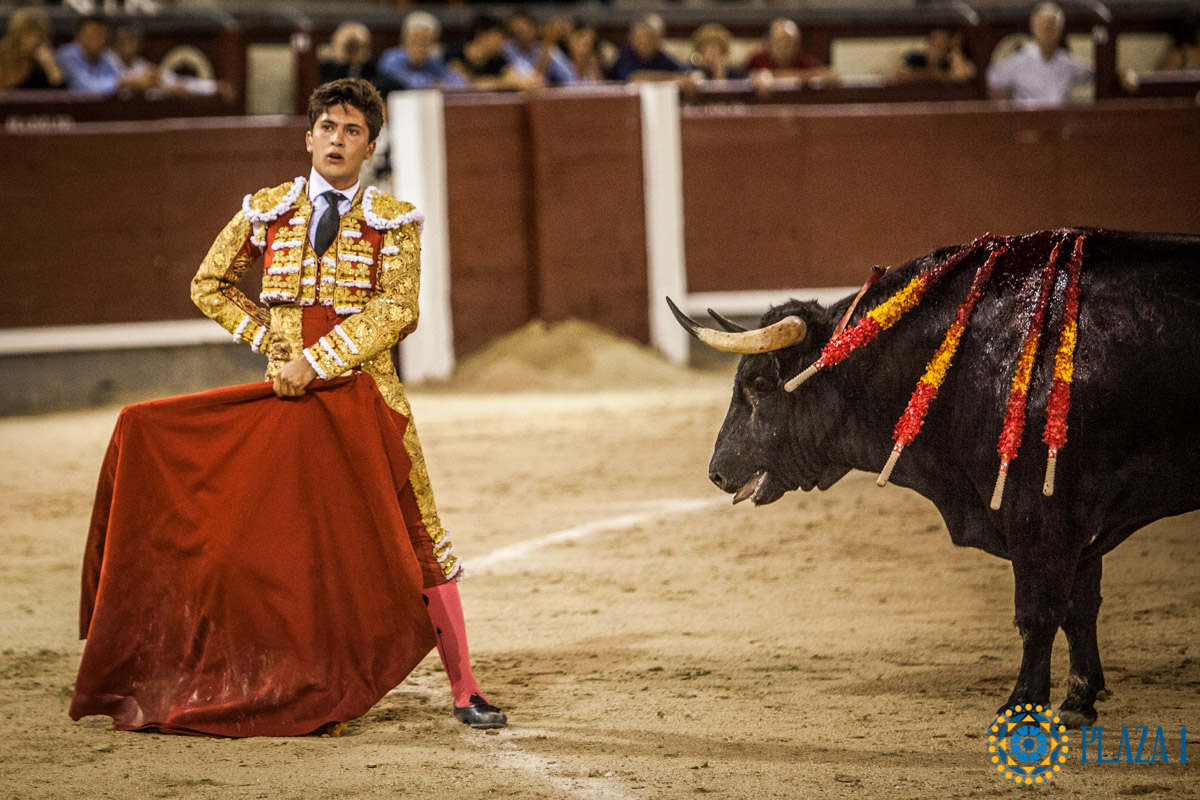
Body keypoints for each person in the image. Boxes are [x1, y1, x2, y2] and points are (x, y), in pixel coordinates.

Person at [69, 78, 506, 737]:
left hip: (367, 403)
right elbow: (209, 285)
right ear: (308, 137)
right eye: (327, 127)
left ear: (371, 147)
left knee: (419, 535)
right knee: (283, 543)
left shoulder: (397, 220)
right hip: (289, 405)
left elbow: (399, 308)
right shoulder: (266, 212)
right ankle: (291, 674)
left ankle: (465, 689)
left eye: (352, 130)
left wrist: (317, 360)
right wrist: (274, 347)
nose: (337, 138)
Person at [986, 3, 1093, 106]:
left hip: (1060, 119)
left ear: (1060, 30)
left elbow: (1092, 73)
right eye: (1042, 27)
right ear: (1034, 28)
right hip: (1027, 120)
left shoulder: (1067, 63)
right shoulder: (1019, 61)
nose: (1046, 33)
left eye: (1051, 28)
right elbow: (993, 78)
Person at [446, 14, 538, 91]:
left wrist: (492, 83)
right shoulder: (453, 55)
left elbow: (522, 83)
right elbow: (463, 86)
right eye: (498, 37)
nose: (502, 42)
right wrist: (501, 82)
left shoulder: (497, 61)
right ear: (481, 35)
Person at [378, 11, 466, 90]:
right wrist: (430, 83)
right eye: (415, 40)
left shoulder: (433, 60)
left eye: (425, 41)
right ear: (404, 39)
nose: (419, 46)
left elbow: (458, 82)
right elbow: (397, 81)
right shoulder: (391, 57)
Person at [55, 15, 138, 94]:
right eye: (92, 34)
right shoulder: (66, 55)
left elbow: (120, 76)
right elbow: (85, 88)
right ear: (78, 35)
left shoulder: (106, 57)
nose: (97, 40)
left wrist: (139, 79)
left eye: (101, 35)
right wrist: (125, 82)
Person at [502, 9, 577, 87]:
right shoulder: (507, 49)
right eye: (516, 31)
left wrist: (568, 42)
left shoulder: (545, 48)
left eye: (523, 30)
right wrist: (547, 46)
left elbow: (571, 77)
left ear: (533, 29)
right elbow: (531, 79)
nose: (520, 35)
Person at [0, 7, 64, 90]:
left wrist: (50, 66)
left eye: (38, 35)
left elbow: (60, 96)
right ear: (16, 35)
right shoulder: (3, 56)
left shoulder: (42, 66)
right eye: (28, 33)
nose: (34, 40)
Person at [745, 18, 831, 79]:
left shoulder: (803, 60)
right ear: (769, 42)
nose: (784, 46)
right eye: (780, 41)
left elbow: (828, 75)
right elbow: (742, 79)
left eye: (789, 42)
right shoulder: (757, 60)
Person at [612, 14, 684, 82]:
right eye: (640, 38)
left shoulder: (662, 57)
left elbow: (682, 74)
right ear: (632, 39)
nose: (645, 42)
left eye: (650, 38)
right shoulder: (625, 56)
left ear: (659, 40)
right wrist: (672, 78)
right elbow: (633, 78)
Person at [893, 28, 975, 83]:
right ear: (928, 44)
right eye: (936, 45)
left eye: (944, 47)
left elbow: (962, 77)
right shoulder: (914, 58)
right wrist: (941, 76)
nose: (938, 51)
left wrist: (956, 50)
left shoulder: (949, 64)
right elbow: (899, 75)